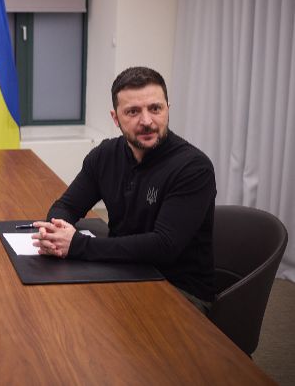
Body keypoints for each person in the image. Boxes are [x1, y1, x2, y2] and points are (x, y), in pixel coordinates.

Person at [32, 66, 216, 313]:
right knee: (59, 312)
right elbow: (67, 205)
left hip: (179, 291)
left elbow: (164, 246)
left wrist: (76, 245)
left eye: (155, 108)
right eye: (133, 112)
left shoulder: (193, 168)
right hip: (122, 270)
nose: (147, 121)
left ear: (168, 110)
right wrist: (57, 234)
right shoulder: (105, 155)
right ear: (115, 117)